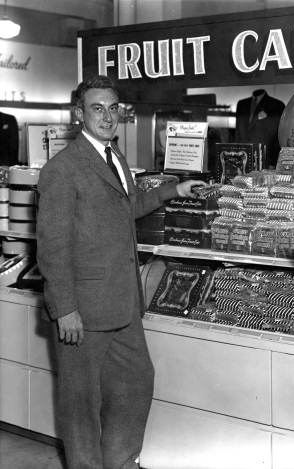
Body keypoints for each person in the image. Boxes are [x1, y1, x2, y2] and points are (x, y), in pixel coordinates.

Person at [36, 74, 205, 469]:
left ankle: (121, 461)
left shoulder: (114, 157)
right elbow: (53, 246)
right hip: (83, 310)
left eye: (114, 108)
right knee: (81, 406)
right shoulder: (63, 169)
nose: (108, 116)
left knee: (135, 386)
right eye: (97, 108)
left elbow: (123, 210)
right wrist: (65, 309)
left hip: (123, 304)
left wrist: (171, 191)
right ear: (79, 114)